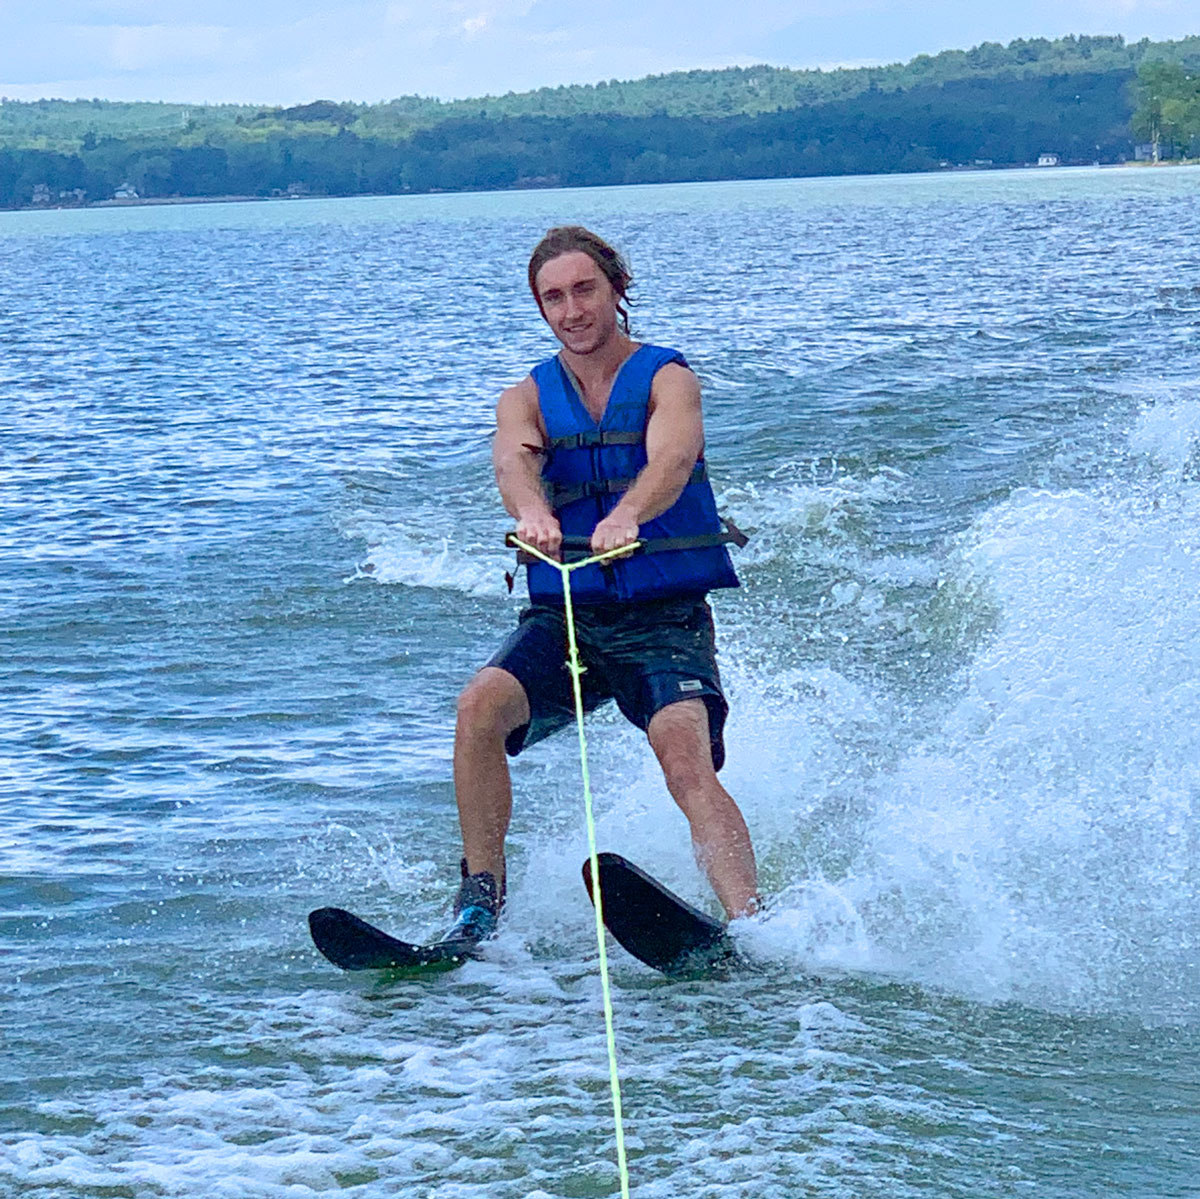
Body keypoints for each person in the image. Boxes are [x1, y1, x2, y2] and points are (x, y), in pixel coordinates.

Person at [444, 226, 758, 942]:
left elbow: (673, 459)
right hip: (568, 617)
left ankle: (751, 921)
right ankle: (478, 904)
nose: (571, 309)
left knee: (684, 754)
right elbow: (513, 463)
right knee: (478, 709)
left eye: (585, 289)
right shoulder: (524, 397)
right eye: (552, 297)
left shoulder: (668, 379)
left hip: (661, 614)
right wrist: (530, 510)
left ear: (617, 289)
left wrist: (627, 515)